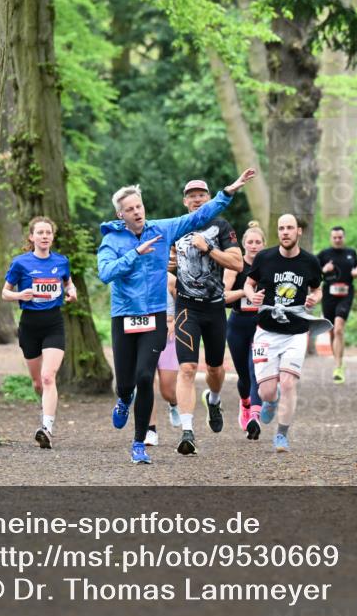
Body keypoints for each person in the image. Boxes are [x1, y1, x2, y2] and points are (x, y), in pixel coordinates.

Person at [97, 168, 255, 464]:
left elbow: (197, 217)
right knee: (126, 383)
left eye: (139, 206)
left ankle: (139, 444)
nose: (137, 212)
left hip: (156, 315)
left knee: (146, 377)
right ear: (121, 215)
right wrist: (135, 255)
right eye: (130, 209)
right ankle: (122, 399)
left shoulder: (162, 229)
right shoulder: (112, 241)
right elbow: (105, 273)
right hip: (124, 315)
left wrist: (229, 191)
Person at [243, 214, 329, 452]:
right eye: (281, 228)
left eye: (290, 228)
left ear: (299, 231)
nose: (285, 232)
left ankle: (281, 435)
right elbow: (248, 284)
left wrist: (314, 298)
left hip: (296, 331)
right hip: (266, 331)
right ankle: (271, 401)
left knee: (289, 382)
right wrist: (252, 296)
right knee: (266, 391)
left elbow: (317, 289)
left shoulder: (310, 262)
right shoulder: (264, 258)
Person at [171, 178, 243, 456]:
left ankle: (213, 400)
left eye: (202, 195)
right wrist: (168, 264)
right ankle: (187, 431)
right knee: (187, 368)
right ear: (184, 201)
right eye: (192, 196)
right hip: (186, 307)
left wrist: (209, 249)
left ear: (210, 198)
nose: (197, 199)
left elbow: (238, 263)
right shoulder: (177, 226)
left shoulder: (222, 227)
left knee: (214, 368)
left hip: (214, 307)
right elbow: (168, 262)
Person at [2, 216, 77, 449]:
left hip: (54, 323)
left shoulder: (61, 261)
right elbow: (5, 292)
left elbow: (68, 283)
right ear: (32, 237)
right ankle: (44, 406)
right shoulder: (20, 263)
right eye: (40, 233)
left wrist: (71, 291)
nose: (45, 236)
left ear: (52, 237)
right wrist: (19, 295)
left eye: (48, 233)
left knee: (48, 376)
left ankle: (47, 428)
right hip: (29, 326)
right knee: (37, 382)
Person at [223, 221, 266, 439]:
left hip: (261, 326)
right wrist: (245, 292)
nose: (254, 245)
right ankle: (246, 403)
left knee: (255, 370)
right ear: (243, 244)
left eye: (258, 242)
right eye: (250, 242)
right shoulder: (235, 266)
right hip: (238, 324)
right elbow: (223, 297)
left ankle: (254, 418)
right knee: (243, 375)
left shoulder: (269, 265)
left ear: (264, 244)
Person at [317, 226, 357, 383]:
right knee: (332, 331)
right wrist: (324, 269)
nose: (337, 240)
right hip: (329, 295)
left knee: (339, 329)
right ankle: (337, 360)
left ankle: (338, 366)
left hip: (346, 294)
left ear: (344, 237)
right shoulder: (324, 254)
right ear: (331, 238)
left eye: (340, 237)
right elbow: (313, 273)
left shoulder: (351, 253)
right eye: (335, 237)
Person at [145, 273, 181, 447]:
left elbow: (183, 307)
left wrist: (175, 322)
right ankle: (150, 429)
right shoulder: (137, 275)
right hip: (145, 332)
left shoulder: (171, 280)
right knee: (146, 381)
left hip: (169, 337)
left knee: (167, 390)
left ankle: (173, 403)